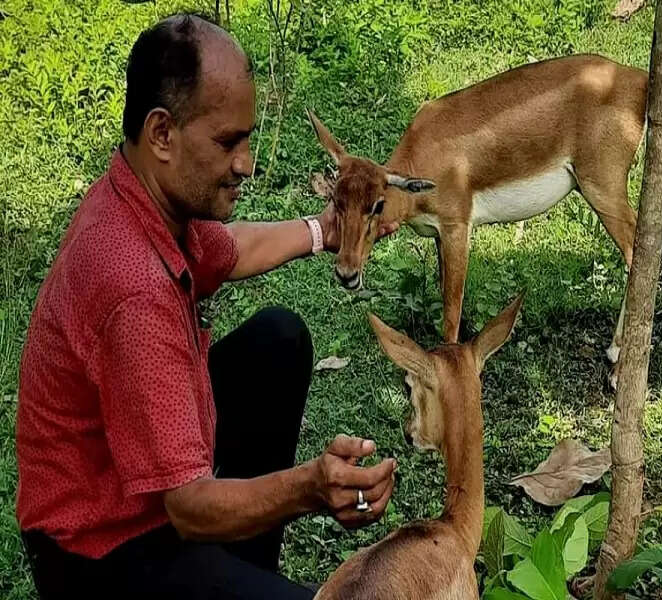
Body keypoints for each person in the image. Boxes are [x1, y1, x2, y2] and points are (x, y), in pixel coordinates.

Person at [15, 13, 399, 599]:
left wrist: (324, 230)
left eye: (247, 138)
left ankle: (243, 572)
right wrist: (311, 487)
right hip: (100, 551)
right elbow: (188, 506)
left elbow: (231, 248)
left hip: (137, 483)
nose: (246, 163)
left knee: (278, 339)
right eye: (228, 142)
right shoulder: (134, 287)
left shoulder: (145, 197)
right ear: (163, 134)